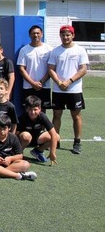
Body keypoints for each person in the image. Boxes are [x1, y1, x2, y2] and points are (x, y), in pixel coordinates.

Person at [48, 25, 89, 154]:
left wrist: (69, 81)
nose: (65, 37)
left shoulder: (80, 50)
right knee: (56, 115)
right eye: (63, 35)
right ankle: (56, 140)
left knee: (76, 116)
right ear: (60, 36)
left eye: (68, 35)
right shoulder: (55, 51)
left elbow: (83, 69)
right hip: (58, 90)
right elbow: (51, 69)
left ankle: (77, 142)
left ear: (73, 35)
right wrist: (60, 82)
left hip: (74, 90)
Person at [0, 115, 37, 181]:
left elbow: (20, 155)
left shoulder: (13, 138)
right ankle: (18, 175)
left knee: (25, 164)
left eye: (4, 129)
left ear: (9, 128)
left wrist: (10, 158)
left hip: (9, 164)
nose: (2, 131)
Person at [17, 25, 52, 110]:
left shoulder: (49, 49)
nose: (35, 35)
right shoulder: (24, 50)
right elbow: (21, 69)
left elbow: (51, 68)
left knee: (42, 111)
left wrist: (41, 82)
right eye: (33, 33)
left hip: (44, 86)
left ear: (42, 34)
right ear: (29, 35)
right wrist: (33, 83)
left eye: (37, 33)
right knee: (28, 111)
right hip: (28, 86)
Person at [17, 96, 59, 165]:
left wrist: (52, 152)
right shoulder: (22, 117)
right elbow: (15, 135)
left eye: (35, 109)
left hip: (37, 139)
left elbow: (53, 133)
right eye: (30, 109)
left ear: (39, 109)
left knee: (56, 137)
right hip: (25, 140)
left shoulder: (42, 116)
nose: (32, 112)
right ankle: (19, 153)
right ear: (26, 109)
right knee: (26, 136)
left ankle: (38, 151)